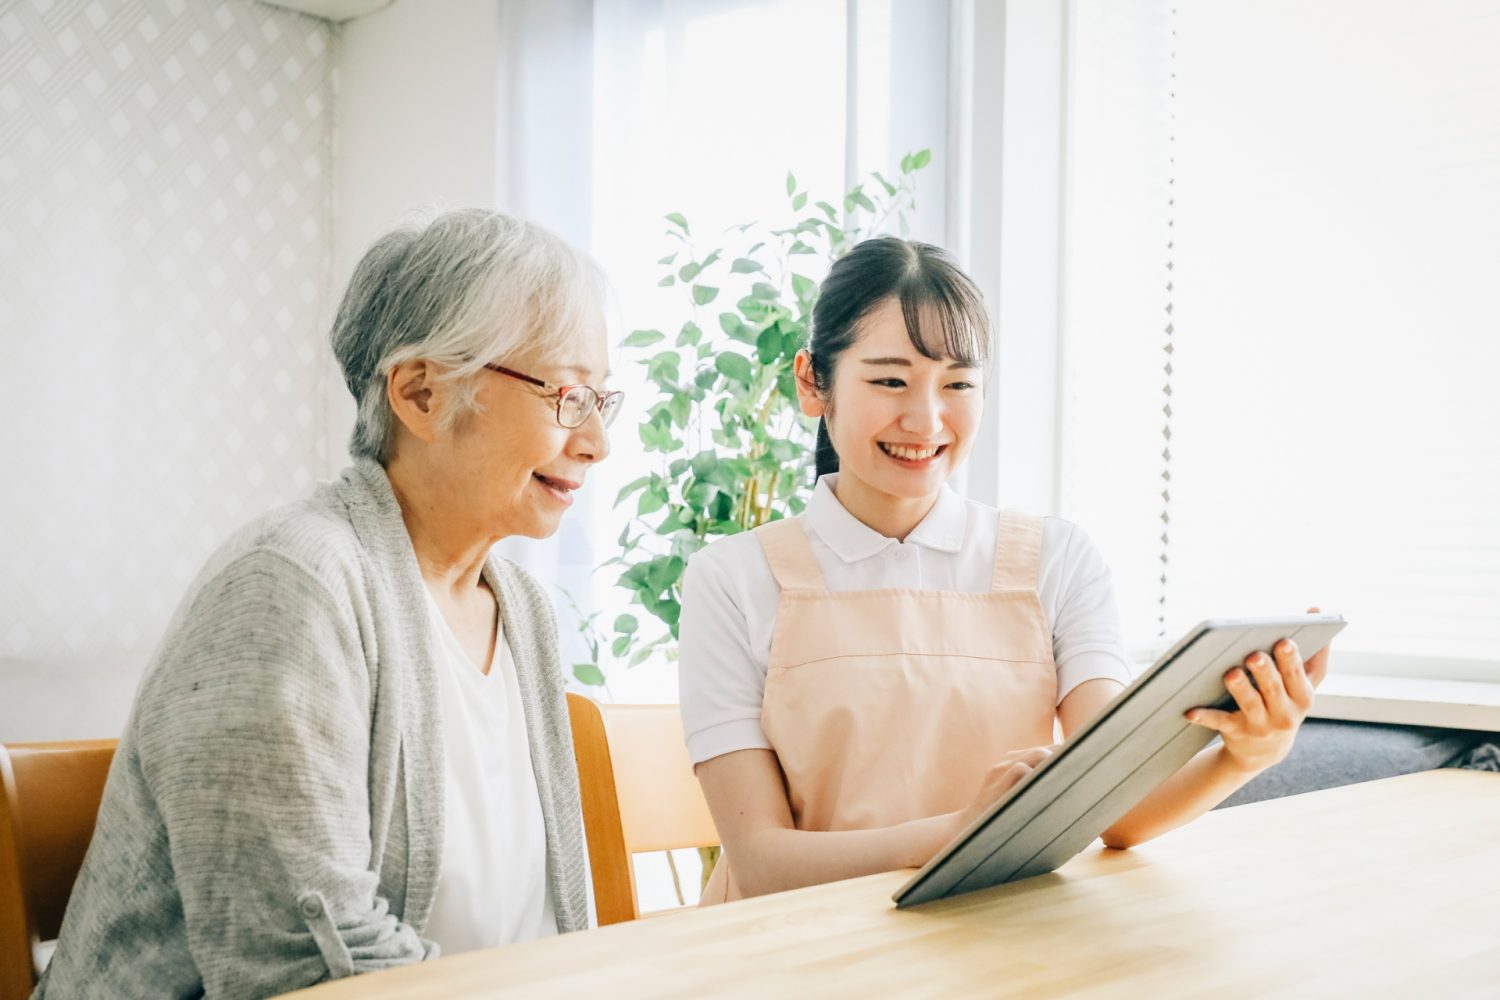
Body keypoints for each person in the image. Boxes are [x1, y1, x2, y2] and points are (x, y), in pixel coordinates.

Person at [37, 209, 621, 998]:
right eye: (568, 394)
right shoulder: (287, 588)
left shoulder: (520, 607)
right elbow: (298, 969)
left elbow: (545, 925)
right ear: (420, 393)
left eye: (601, 402)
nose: (596, 444)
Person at [678, 236, 1329, 902]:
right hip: (792, 957)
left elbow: (1118, 810)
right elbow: (762, 864)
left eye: (957, 383)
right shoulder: (731, 579)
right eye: (890, 379)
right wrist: (961, 832)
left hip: (989, 946)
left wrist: (1247, 753)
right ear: (814, 382)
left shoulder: (1057, 560)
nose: (926, 419)